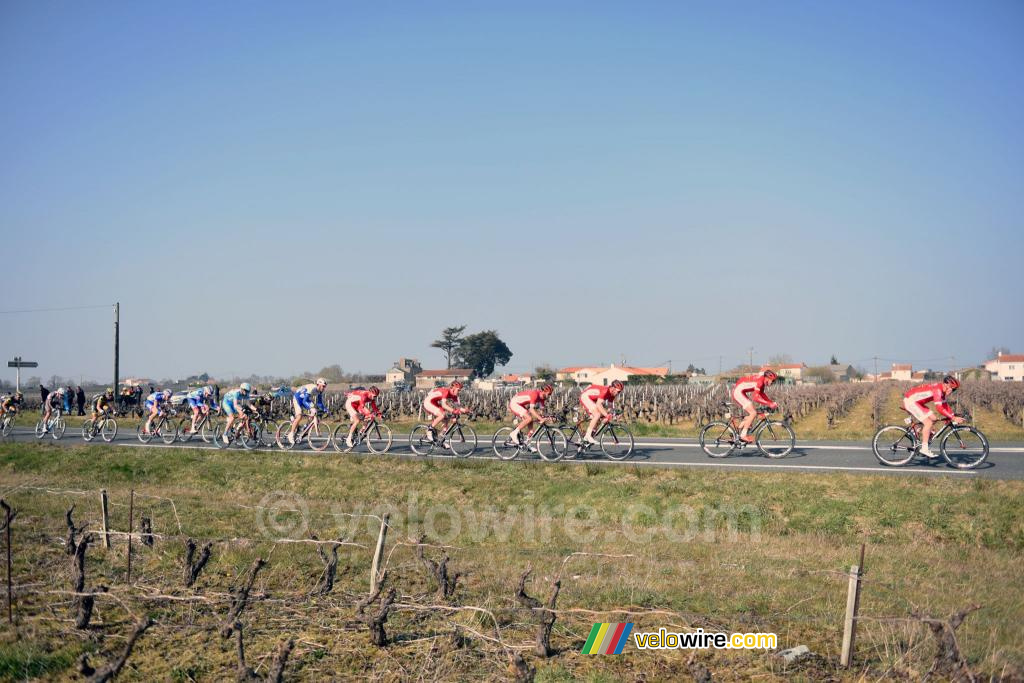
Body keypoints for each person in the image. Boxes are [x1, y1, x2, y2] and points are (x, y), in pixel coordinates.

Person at [903, 375, 962, 458]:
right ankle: (924, 449)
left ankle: (915, 430)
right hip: (910, 401)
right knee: (928, 423)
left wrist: (952, 415)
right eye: (952, 388)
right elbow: (939, 408)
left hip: (917, 402)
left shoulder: (942, 391)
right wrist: (953, 418)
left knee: (933, 418)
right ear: (946, 385)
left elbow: (945, 406)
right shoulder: (938, 390)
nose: (952, 390)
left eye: (954, 389)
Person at [732, 369, 779, 443]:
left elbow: (762, 395)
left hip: (741, 391)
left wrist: (771, 402)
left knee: (753, 414)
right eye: (772, 381)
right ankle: (743, 435)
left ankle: (737, 431)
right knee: (753, 413)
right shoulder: (760, 382)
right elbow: (755, 397)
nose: (773, 383)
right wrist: (769, 404)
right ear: (767, 378)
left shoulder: (762, 382)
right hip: (738, 391)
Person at [579, 380, 624, 445]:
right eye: (618, 391)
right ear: (613, 388)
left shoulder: (612, 394)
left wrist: (613, 414)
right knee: (597, 414)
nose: (618, 393)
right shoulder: (605, 390)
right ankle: (588, 436)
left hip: (593, 399)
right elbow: (598, 404)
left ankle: (588, 435)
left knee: (600, 416)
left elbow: (610, 407)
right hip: (585, 396)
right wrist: (606, 415)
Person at [288, 378, 327, 444]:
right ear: (319, 385)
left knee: (314, 412)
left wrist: (325, 409)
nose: (324, 388)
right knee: (299, 416)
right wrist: (311, 408)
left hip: (305, 399)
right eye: (323, 386)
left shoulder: (320, 391)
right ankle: (291, 434)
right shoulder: (312, 388)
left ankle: (305, 427)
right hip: (298, 398)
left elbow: (319, 403)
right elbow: (304, 401)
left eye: (325, 386)